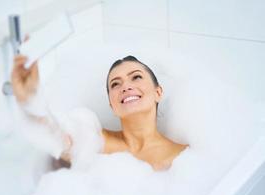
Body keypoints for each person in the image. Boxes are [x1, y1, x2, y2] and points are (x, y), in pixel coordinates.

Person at [12, 54, 188, 171]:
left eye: (136, 77)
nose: (125, 86)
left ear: (158, 92)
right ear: (112, 105)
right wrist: (31, 101)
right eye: (115, 84)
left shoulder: (184, 157)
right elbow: (57, 138)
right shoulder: (92, 140)